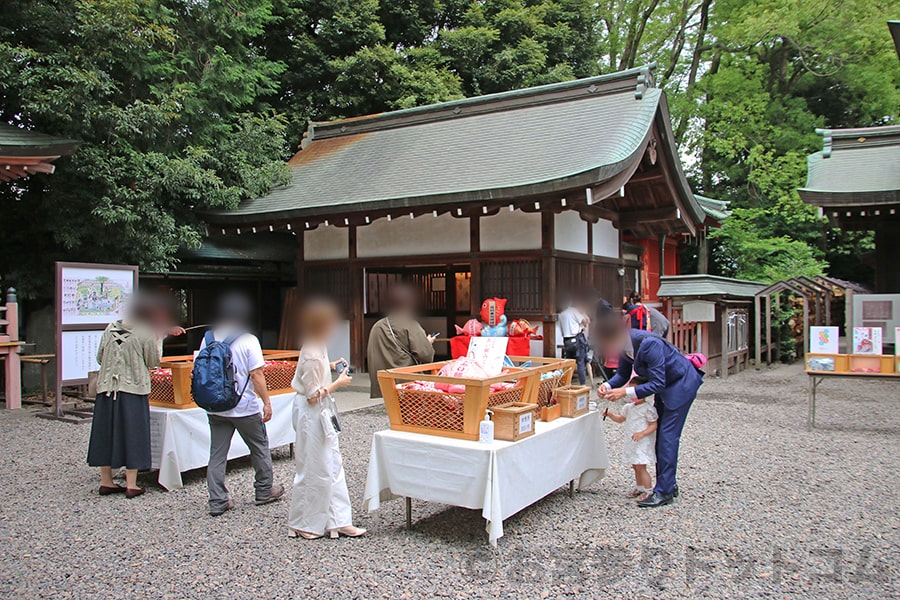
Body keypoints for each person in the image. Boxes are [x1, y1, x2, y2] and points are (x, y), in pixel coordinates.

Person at [595, 311, 703, 508]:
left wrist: (625, 392)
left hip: (680, 386)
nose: (606, 349)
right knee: (660, 437)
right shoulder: (625, 345)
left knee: (667, 437)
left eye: (605, 344)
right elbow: (622, 374)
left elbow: (658, 383)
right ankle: (668, 483)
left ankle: (664, 491)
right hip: (667, 386)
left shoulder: (648, 344)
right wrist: (608, 386)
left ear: (615, 336)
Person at [87, 292, 185, 498]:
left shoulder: (110, 328)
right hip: (133, 389)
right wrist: (160, 338)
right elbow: (152, 361)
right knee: (134, 432)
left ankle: (106, 481)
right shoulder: (145, 331)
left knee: (107, 432)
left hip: (106, 390)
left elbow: (99, 357)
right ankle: (132, 484)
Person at [200, 293, 285, 516]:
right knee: (259, 447)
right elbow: (256, 374)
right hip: (243, 406)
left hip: (215, 406)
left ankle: (218, 500)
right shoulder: (248, 340)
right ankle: (264, 490)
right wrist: (266, 401)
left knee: (217, 454)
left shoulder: (207, 338)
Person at [288, 298, 365, 539]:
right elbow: (312, 395)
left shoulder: (317, 345)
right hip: (312, 412)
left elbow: (316, 370)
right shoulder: (311, 350)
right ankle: (304, 522)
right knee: (314, 467)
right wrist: (338, 383)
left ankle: (338, 519)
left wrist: (331, 365)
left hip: (321, 411)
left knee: (332, 463)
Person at [367, 283, 436, 398]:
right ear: (408, 303)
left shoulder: (377, 326)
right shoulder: (410, 324)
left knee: (395, 414)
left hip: (385, 383)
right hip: (407, 382)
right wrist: (428, 342)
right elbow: (426, 355)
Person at [602, 376, 658, 502]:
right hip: (632, 439)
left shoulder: (648, 409)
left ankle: (649, 490)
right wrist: (610, 414)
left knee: (641, 466)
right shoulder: (629, 407)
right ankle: (640, 487)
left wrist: (642, 433)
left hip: (642, 440)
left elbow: (653, 424)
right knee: (635, 465)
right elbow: (621, 419)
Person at [558, 295, 589, 385]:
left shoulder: (561, 314)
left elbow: (562, 329)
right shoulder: (573, 311)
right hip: (577, 338)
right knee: (580, 362)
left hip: (567, 340)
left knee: (569, 363)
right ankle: (582, 384)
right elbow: (584, 321)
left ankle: (567, 383)